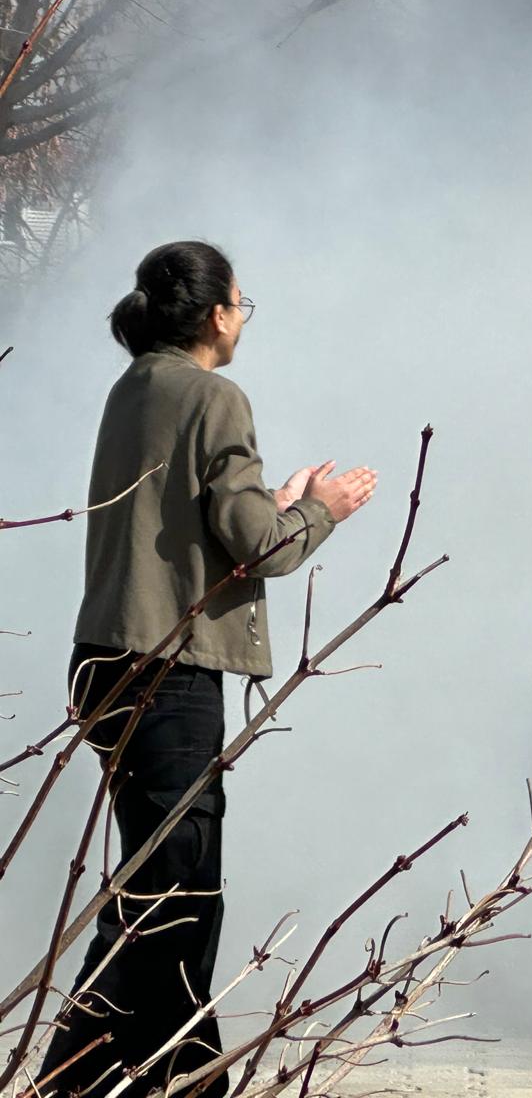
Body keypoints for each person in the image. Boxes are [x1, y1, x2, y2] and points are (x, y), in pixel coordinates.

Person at [40, 241, 377, 1098]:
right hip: (168, 673)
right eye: (241, 303)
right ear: (219, 312)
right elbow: (258, 547)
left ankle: (172, 1077)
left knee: (158, 885)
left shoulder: (136, 387)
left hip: (105, 662)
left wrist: (281, 499)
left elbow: (200, 524)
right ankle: (86, 1079)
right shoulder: (215, 395)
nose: (241, 318)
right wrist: (320, 510)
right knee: (175, 893)